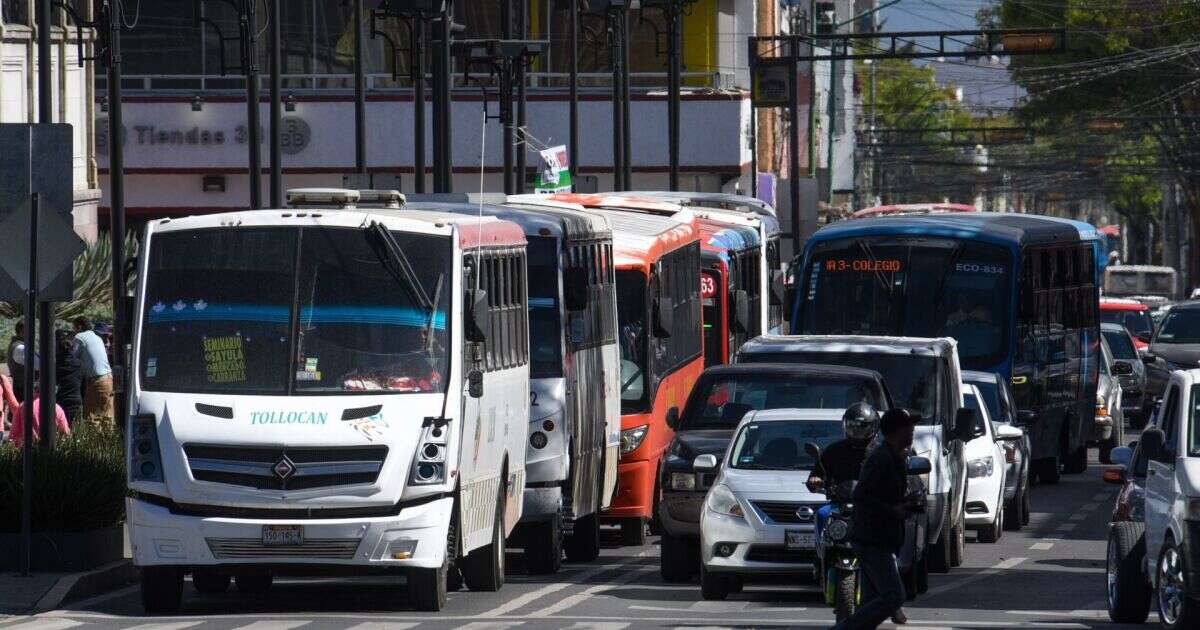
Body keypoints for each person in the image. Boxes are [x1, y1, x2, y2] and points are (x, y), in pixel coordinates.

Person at [807, 403, 908, 626]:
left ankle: (892, 604)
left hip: (873, 518)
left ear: (874, 428)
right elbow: (816, 474)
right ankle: (820, 556)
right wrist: (816, 481)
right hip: (840, 505)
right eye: (853, 427)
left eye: (862, 427)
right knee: (822, 514)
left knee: (889, 574)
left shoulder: (879, 452)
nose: (857, 432)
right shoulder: (834, 451)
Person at [831, 408, 921, 630]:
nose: (912, 431)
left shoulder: (894, 457)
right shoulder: (881, 459)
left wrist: (905, 503)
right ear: (897, 430)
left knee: (872, 601)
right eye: (908, 426)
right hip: (871, 538)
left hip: (881, 537)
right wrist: (893, 510)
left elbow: (884, 495)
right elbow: (861, 496)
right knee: (893, 596)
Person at [71, 317, 114, 427]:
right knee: (107, 419)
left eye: (73, 328)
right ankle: (108, 444)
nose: (73, 331)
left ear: (79, 327)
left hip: (97, 381)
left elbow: (72, 358)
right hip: (109, 380)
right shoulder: (97, 337)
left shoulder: (79, 337)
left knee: (92, 418)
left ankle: (94, 444)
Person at [55, 329, 84, 425]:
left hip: (62, 402)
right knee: (75, 432)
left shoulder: (56, 365)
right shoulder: (78, 363)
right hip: (76, 401)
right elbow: (83, 383)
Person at [6, 321, 26, 400]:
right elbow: (38, 365)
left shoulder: (18, 345)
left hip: (21, 387)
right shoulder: (20, 348)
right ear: (22, 331)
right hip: (22, 389)